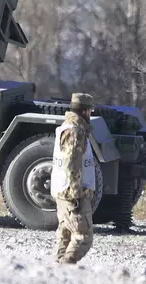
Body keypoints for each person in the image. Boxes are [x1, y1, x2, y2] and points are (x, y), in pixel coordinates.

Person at [51, 92, 96, 264]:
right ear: (85, 111)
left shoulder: (67, 127)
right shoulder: (75, 131)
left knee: (66, 234)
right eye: (90, 111)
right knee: (83, 236)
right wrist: (76, 193)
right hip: (72, 193)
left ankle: (55, 272)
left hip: (62, 189)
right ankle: (65, 268)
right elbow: (72, 163)